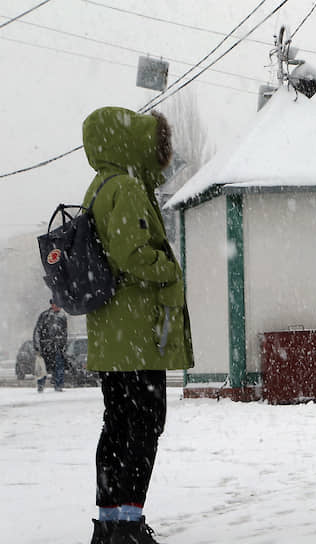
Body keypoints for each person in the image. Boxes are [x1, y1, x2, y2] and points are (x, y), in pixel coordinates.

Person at [81, 106, 194, 544]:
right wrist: (168, 267)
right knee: (144, 425)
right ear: (131, 144)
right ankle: (127, 525)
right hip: (137, 335)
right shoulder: (127, 188)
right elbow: (132, 255)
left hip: (112, 335)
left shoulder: (100, 186)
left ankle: (109, 522)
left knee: (117, 423)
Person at [33, 300, 67, 392]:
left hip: (57, 346)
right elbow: (37, 331)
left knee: (59, 366)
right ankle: (41, 385)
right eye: (57, 305)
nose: (58, 307)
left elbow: (64, 333)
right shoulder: (44, 316)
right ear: (52, 305)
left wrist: (63, 345)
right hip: (45, 346)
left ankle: (58, 385)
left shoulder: (62, 316)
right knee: (43, 367)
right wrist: (37, 346)